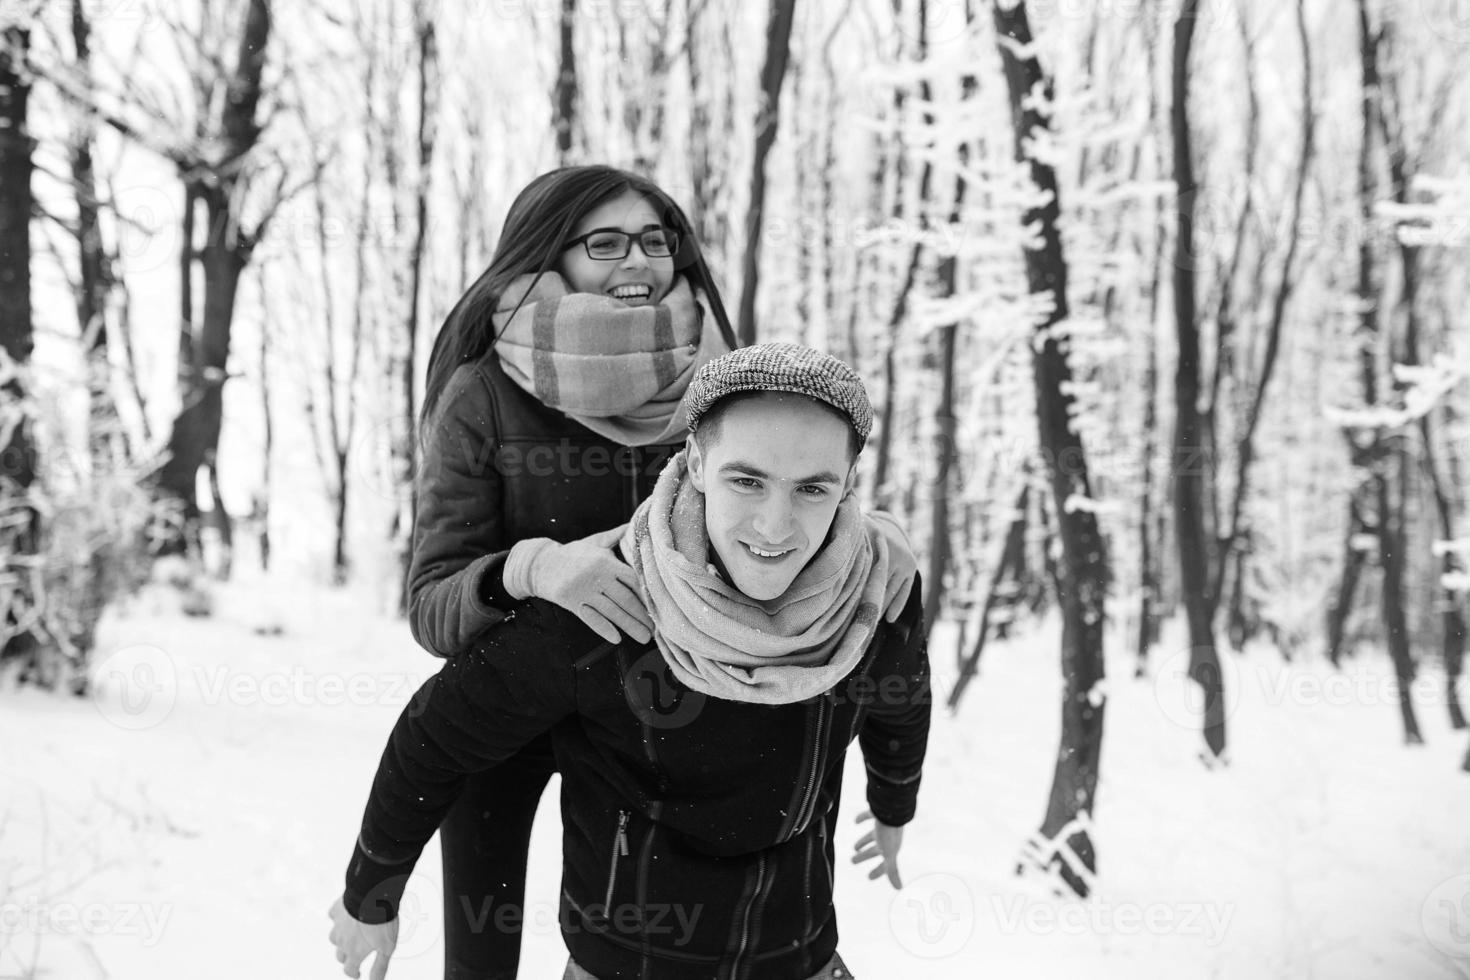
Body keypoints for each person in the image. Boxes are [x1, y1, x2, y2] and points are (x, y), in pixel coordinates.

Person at [397, 167, 919, 979]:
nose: (636, 262)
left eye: (655, 240)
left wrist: (868, 534)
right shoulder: (484, 393)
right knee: (482, 950)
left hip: (656, 706)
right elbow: (432, 604)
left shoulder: (715, 370)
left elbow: (781, 484)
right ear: (548, 256)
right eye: (602, 242)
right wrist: (535, 569)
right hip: (516, 701)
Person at [329, 344, 931, 980]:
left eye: (812, 488)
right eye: (746, 480)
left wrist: (894, 803)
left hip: (797, 956)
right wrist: (371, 888)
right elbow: (438, 730)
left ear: (848, 485)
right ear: (697, 462)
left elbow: (902, 696)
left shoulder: (875, 591)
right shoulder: (606, 599)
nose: (776, 525)